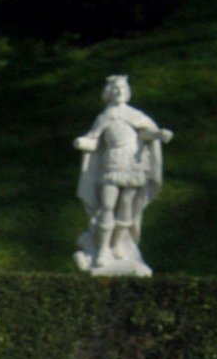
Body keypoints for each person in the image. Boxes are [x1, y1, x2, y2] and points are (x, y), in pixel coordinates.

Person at [74, 73, 173, 275]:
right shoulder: (104, 117)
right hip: (112, 160)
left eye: (123, 89)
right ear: (109, 94)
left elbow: (144, 133)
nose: (120, 92)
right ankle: (102, 250)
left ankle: (118, 244)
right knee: (107, 205)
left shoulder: (135, 115)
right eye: (115, 89)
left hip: (133, 163)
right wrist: (82, 143)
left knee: (127, 204)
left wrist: (158, 134)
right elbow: (94, 138)